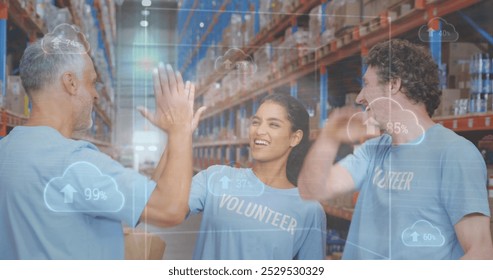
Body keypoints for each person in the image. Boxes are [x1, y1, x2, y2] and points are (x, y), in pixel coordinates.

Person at [0, 26, 205, 259]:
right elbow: (170, 209)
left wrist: (173, 140)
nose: (96, 95)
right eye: (92, 83)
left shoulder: (6, 150)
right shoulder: (76, 163)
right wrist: (180, 130)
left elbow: (143, 203)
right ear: (70, 83)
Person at [298, 39, 493, 260]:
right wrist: (329, 138)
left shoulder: (455, 154)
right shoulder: (373, 151)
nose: (360, 97)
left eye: (367, 84)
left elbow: (481, 253)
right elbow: (311, 189)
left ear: (393, 84)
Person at [183, 93, 327, 259]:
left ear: (295, 138)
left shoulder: (309, 210)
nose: (259, 131)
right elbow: (167, 207)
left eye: (273, 125)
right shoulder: (215, 177)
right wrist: (179, 135)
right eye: (256, 122)